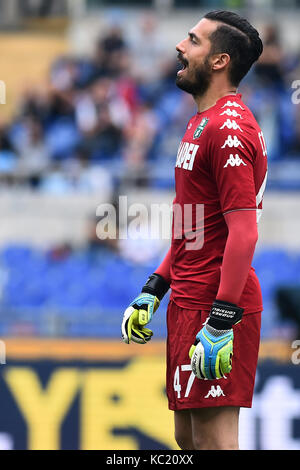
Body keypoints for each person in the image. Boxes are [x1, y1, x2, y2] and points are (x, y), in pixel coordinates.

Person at [121, 10, 267, 450]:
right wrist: (155, 286)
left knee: (214, 443)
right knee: (187, 439)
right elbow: (192, 227)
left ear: (219, 61)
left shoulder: (227, 129)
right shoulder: (201, 121)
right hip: (188, 298)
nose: (181, 47)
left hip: (216, 303)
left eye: (193, 40)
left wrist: (222, 319)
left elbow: (244, 233)